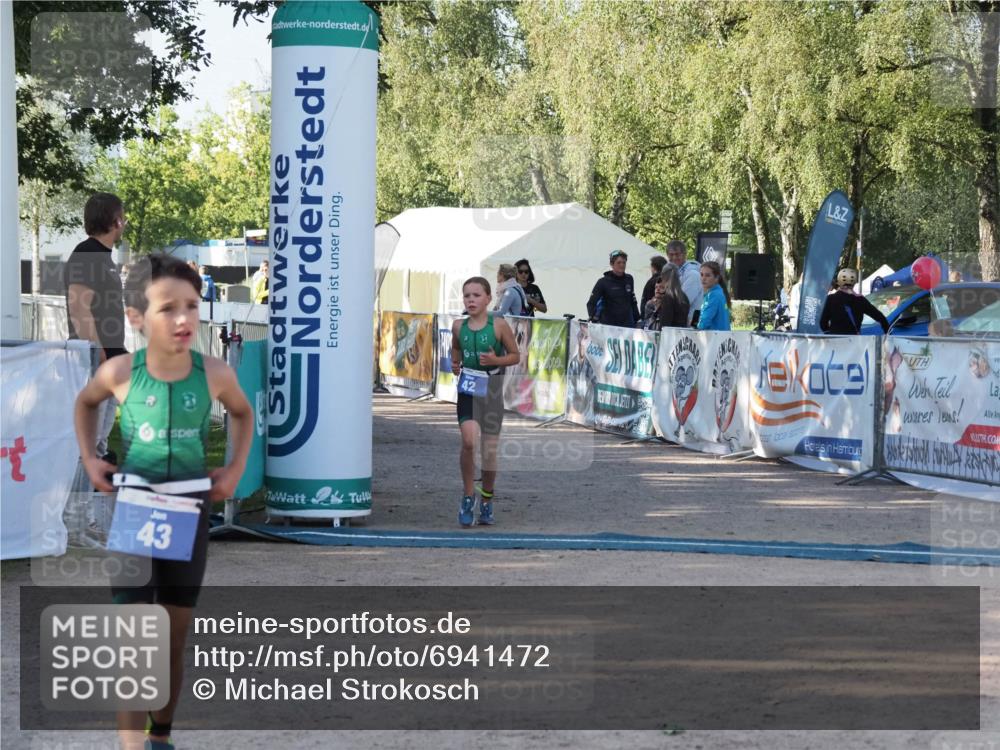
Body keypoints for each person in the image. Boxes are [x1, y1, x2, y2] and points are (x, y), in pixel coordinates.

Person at [73, 255, 253, 750]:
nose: (183, 319)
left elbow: (243, 414)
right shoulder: (119, 372)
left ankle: (161, 736)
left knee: (173, 637)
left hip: (189, 514)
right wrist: (90, 459)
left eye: (191, 306)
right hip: (135, 512)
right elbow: (85, 403)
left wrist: (234, 470)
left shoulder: (214, 373)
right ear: (136, 316)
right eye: (168, 308)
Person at [64, 192, 129, 465]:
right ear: (116, 221)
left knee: (100, 440)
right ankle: (80, 487)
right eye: (123, 217)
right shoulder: (87, 254)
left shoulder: (103, 256)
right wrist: (97, 352)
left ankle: (96, 484)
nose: (125, 222)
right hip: (94, 360)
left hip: (109, 358)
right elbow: (79, 308)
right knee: (89, 441)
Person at [451, 277, 520, 527]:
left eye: (476, 295)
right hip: (468, 390)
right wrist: (455, 362)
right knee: (469, 442)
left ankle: (487, 499)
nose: (471, 300)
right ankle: (468, 496)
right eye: (467, 295)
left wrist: (496, 361)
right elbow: (455, 347)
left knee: (489, 451)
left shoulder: (499, 325)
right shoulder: (458, 326)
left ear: (489, 298)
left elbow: (515, 356)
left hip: (491, 391)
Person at [820, 268, 889, 334]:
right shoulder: (861, 300)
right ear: (854, 282)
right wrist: (887, 332)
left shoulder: (831, 299)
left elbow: (822, 322)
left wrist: (829, 332)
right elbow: (880, 317)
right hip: (854, 339)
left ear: (839, 281)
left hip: (834, 338)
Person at [586, 250, 641, 327]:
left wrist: (638, 320)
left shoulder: (629, 279)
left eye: (624, 262)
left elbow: (632, 301)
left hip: (627, 326)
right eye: (619, 262)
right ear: (612, 264)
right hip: (609, 326)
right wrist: (594, 321)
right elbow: (591, 303)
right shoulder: (603, 282)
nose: (622, 265)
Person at [666, 239, 703, 325]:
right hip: (681, 323)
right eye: (671, 254)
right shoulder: (674, 272)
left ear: (685, 254)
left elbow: (681, 303)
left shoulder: (692, 274)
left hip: (689, 326)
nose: (674, 257)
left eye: (677, 254)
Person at [697, 261, 732, 331]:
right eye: (701, 274)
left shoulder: (713, 295)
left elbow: (704, 323)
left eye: (707, 275)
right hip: (722, 335)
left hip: (716, 336)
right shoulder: (718, 292)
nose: (703, 278)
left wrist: (695, 326)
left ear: (716, 278)